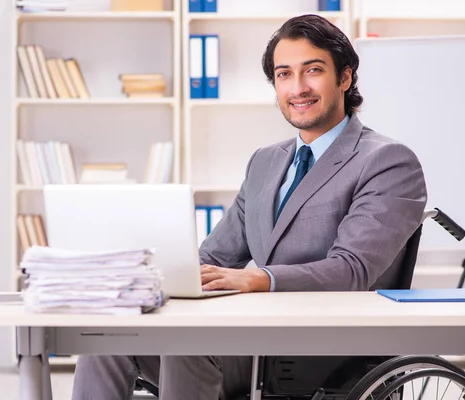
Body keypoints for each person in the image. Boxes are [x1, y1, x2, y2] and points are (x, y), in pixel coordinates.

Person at [71, 14, 427, 400]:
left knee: (187, 344)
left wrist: (259, 278)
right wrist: (142, 279)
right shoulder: (265, 162)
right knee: (107, 340)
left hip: (326, 349)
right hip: (254, 336)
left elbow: (351, 271)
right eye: (284, 74)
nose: (298, 87)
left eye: (313, 71)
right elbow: (214, 255)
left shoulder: (387, 160)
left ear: (344, 78)